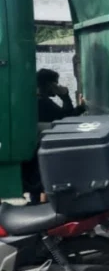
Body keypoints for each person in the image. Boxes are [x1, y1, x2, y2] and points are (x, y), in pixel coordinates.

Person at [26, 69, 87, 203]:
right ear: (49, 85)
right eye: (56, 84)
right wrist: (65, 96)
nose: (58, 87)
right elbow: (66, 119)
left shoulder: (33, 99)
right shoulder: (42, 101)